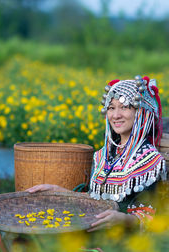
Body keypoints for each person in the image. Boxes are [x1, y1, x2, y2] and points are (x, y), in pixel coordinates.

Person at [26, 76, 167, 231]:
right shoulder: (103, 156)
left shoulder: (150, 161)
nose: (116, 115)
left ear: (141, 112)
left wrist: (123, 220)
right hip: (92, 228)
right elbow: (95, 201)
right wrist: (58, 191)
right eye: (111, 108)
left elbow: (151, 218)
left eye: (125, 107)